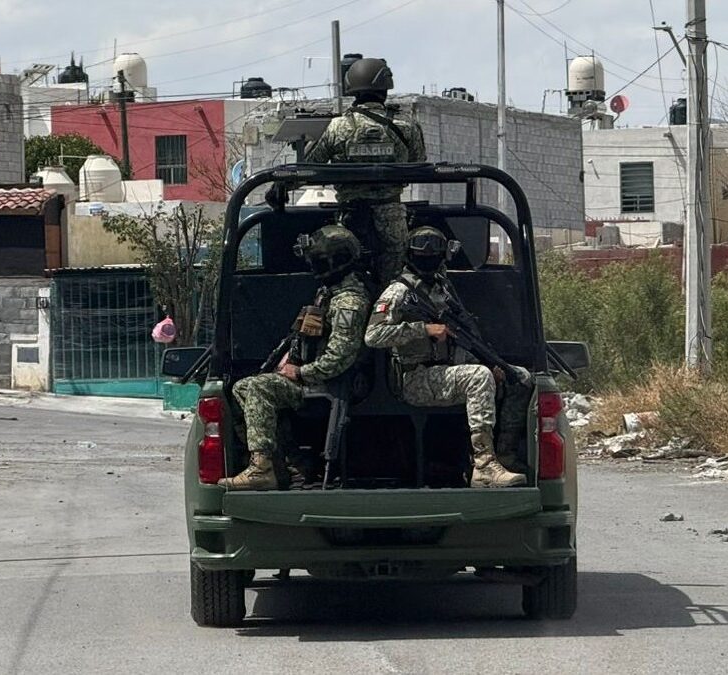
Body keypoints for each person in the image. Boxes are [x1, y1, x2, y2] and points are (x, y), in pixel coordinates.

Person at [363, 227, 526, 488]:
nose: (428, 262)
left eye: (433, 256)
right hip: (413, 377)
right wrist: (422, 329)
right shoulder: (398, 292)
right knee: (479, 377)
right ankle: (484, 466)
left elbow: (462, 335)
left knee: (520, 377)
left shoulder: (442, 288)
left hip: (445, 370)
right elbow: (373, 336)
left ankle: (504, 455)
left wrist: (487, 361)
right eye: (422, 256)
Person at [219, 225, 371, 491]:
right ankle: (290, 464)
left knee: (257, 387)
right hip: (314, 380)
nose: (315, 267)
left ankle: (263, 467)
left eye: (319, 261)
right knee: (242, 387)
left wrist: (300, 373)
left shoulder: (348, 302)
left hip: (329, 387)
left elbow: (340, 358)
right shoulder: (330, 292)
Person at [304, 57, 427, 288]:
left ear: (353, 90)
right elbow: (418, 164)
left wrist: (278, 189)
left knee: (348, 283)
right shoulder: (406, 126)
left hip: (351, 217)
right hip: (392, 216)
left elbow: (311, 164)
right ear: (385, 90)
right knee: (393, 286)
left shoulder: (337, 127)